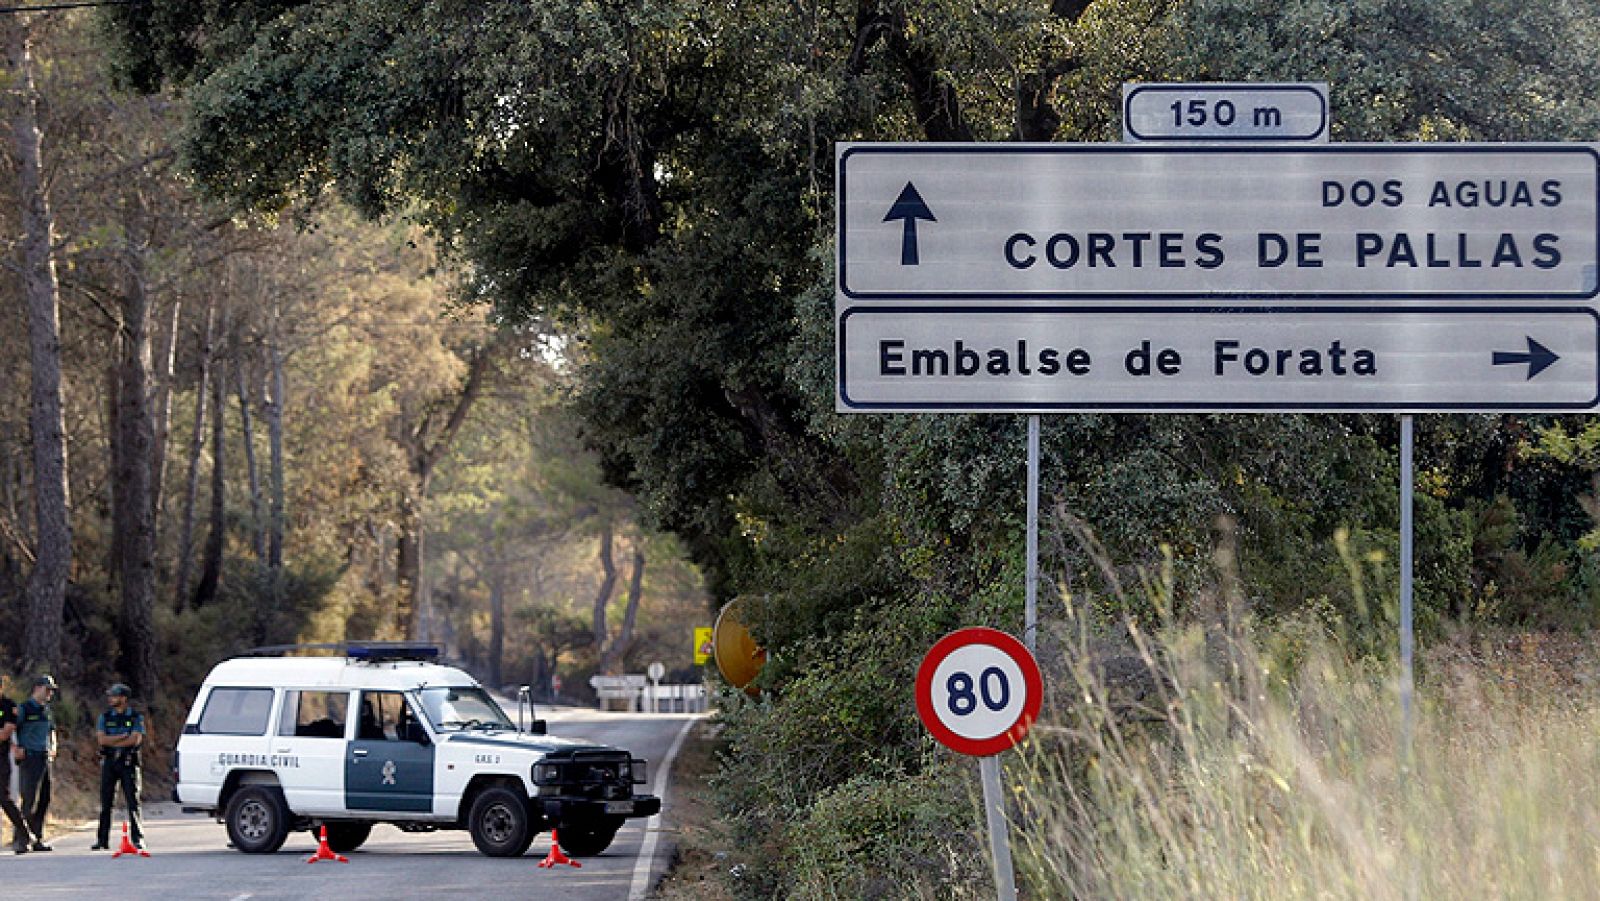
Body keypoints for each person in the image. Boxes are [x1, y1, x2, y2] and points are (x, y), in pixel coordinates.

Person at [91, 683, 145, 851]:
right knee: (106, 802)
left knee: (132, 802)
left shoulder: (135, 717)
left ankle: (137, 838)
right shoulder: (105, 717)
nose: (111, 699)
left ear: (123, 698)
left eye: (114, 696)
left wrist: (113, 739)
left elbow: (135, 739)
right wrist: (122, 737)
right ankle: (102, 839)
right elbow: (102, 740)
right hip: (109, 762)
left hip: (128, 762)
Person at [15, 674, 56, 852]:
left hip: (44, 757)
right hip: (29, 757)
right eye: (47, 690)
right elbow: (12, 729)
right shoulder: (24, 708)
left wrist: (54, 746)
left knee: (44, 798)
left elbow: (51, 730)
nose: (50, 694)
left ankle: (37, 837)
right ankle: (21, 840)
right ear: (37, 688)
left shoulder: (47, 710)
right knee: (28, 799)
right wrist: (16, 748)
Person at [0, 676, 35, 853]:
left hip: (1, 759)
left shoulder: (7, 706)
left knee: (3, 798)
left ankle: (24, 833)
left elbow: (5, 733)